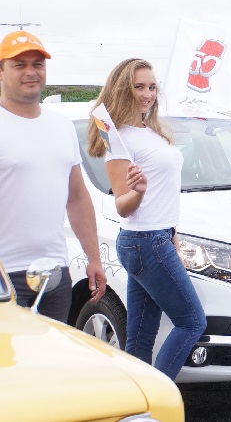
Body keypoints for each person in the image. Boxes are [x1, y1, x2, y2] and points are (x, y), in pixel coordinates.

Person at [87, 58, 206, 379]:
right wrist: (137, 191)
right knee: (192, 321)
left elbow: (165, 196)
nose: (147, 94)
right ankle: (157, 397)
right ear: (123, 89)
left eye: (152, 87)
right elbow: (124, 206)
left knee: (140, 338)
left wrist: (173, 238)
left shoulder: (150, 132)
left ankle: (135, 404)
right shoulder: (118, 139)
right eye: (139, 87)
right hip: (144, 241)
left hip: (158, 239)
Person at [0, 30, 106, 322]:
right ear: (1, 72)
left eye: (37, 64)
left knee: (48, 364)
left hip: (54, 275)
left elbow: (77, 196)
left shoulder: (61, 126)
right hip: (5, 275)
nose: (31, 72)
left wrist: (93, 258)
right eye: (19, 65)